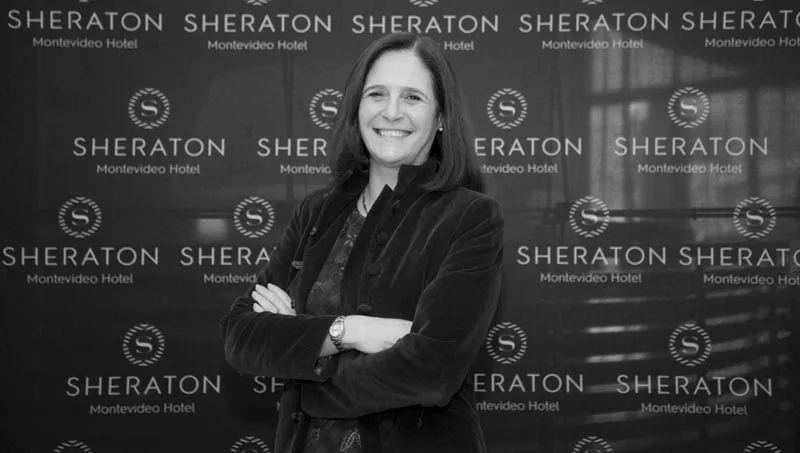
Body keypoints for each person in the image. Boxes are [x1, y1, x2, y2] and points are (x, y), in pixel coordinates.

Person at [220, 33, 504, 453]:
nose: (392, 111)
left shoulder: (470, 217)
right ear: (357, 107)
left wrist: (303, 369)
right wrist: (350, 331)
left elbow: (432, 371)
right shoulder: (316, 213)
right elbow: (241, 336)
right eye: (377, 94)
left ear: (442, 117)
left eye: (412, 97)